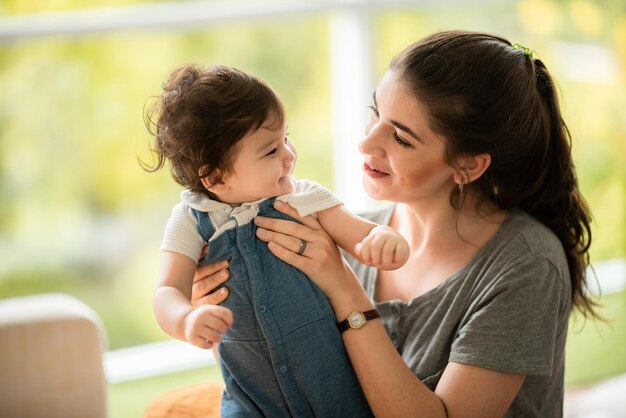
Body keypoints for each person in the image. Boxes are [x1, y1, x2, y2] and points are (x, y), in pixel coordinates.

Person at [192, 30, 597, 417]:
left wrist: (345, 290)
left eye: (401, 138)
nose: (366, 143)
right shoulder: (353, 234)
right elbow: (279, 378)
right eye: (376, 112)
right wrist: (224, 305)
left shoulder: (524, 265)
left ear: (468, 165)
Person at [143, 64, 409, 417]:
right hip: (250, 401)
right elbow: (167, 292)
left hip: (333, 388)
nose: (289, 155)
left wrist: (386, 240)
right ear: (215, 177)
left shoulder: (303, 198)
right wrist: (185, 320)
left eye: (286, 138)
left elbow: (362, 234)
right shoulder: (192, 221)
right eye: (270, 151)